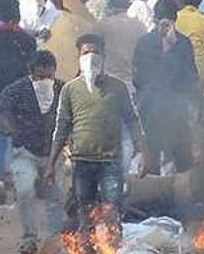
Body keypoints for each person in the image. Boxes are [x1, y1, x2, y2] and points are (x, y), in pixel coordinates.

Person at [0, 50, 65, 254]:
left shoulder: (63, 90)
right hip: (24, 151)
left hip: (54, 154)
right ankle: (29, 239)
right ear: (32, 73)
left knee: (54, 197)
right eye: (40, 77)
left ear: (54, 72)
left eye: (49, 76)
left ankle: (55, 242)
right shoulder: (18, 89)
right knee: (25, 191)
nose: (45, 81)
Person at [48, 34, 147, 240]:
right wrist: (51, 164)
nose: (91, 57)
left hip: (110, 162)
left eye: (96, 53)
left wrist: (144, 153)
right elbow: (61, 128)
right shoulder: (70, 89)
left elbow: (132, 120)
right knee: (85, 214)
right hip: (82, 162)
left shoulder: (118, 87)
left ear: (104, 56)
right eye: (86, 53)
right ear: (79, 56)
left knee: (111, 212)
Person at [132, 0, 198, 175]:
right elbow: (191, 77)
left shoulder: (148, 42)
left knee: (170, 155)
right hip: (160, 108)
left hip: (167, 108)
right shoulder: (179, 43)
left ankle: (170, 188)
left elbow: (137, 78)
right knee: (173, 156)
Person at [0, 0, 37, 203]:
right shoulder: (27, 39)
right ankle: (15, 179)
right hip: (21, 95)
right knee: (18, 140)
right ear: (19, 16)